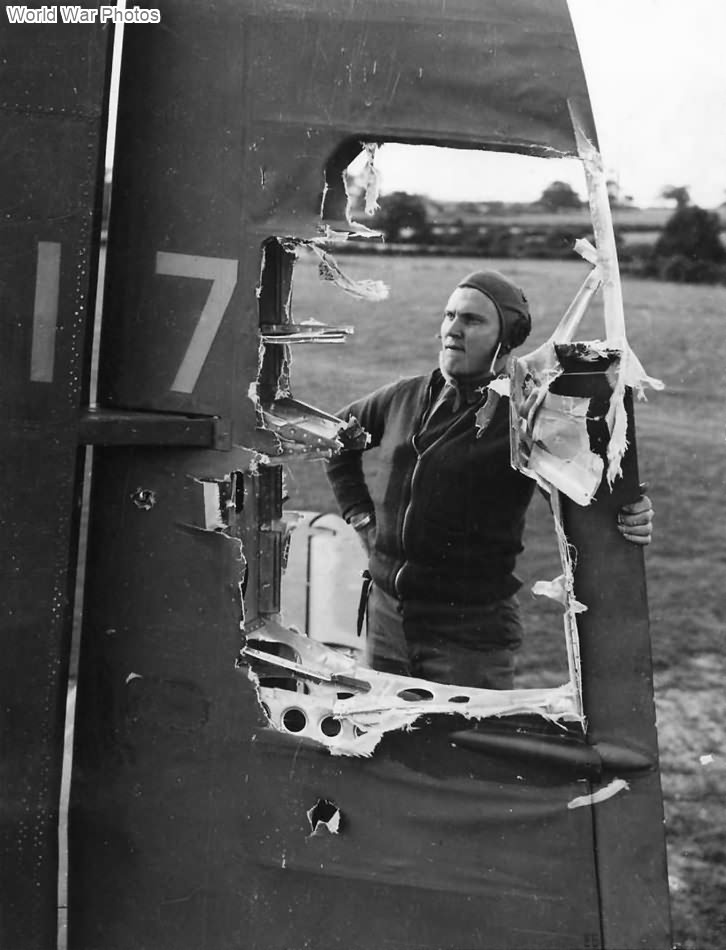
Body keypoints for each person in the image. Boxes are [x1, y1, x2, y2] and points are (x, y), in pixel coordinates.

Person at [326, 270, 653, 690]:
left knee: (460, 754)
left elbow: (587, 494)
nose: (453, 331)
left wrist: (633, 514)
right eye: (449, 316)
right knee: (385, 749)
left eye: (472, 320)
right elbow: (337, 438)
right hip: (386, 620)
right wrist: (360, 518)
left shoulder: (524, 414)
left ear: (508, 338)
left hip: (467, 639)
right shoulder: (402, 397)